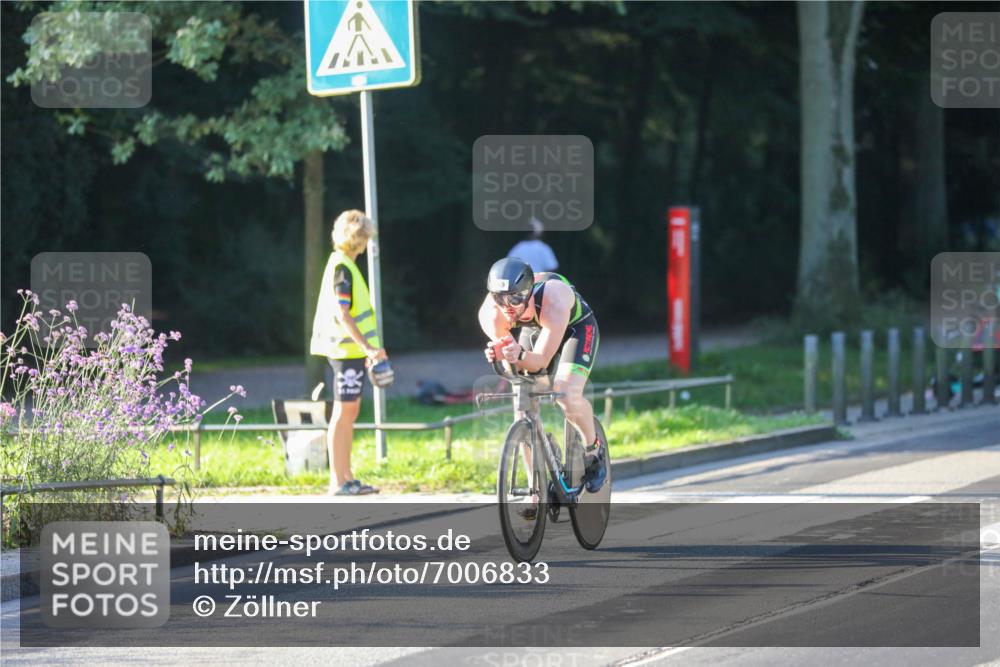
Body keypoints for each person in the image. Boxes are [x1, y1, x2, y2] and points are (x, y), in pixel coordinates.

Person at [478, 257, 607, 499]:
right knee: (523, 402)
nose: (507, 306)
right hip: (537, 329)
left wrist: (519, 354)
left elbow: (540, 361)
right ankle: (534, 489)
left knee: (566, 394)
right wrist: (502, 356)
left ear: (527, 293)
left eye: (515, 298)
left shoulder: (553, 298)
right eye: (499, 298)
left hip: (576, 328)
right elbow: (514, 370)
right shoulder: (491, 314)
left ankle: (593, 449)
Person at [310, 209, 387, 496]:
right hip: (346, 352)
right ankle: (338, 481)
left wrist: (370, 347)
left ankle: (346, 476)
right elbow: (344, 313)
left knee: (348, 413)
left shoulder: (341, 264)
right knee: (344, 413)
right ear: (361, 239)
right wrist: (368, 347)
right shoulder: (343, 268)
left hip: (350, 351)